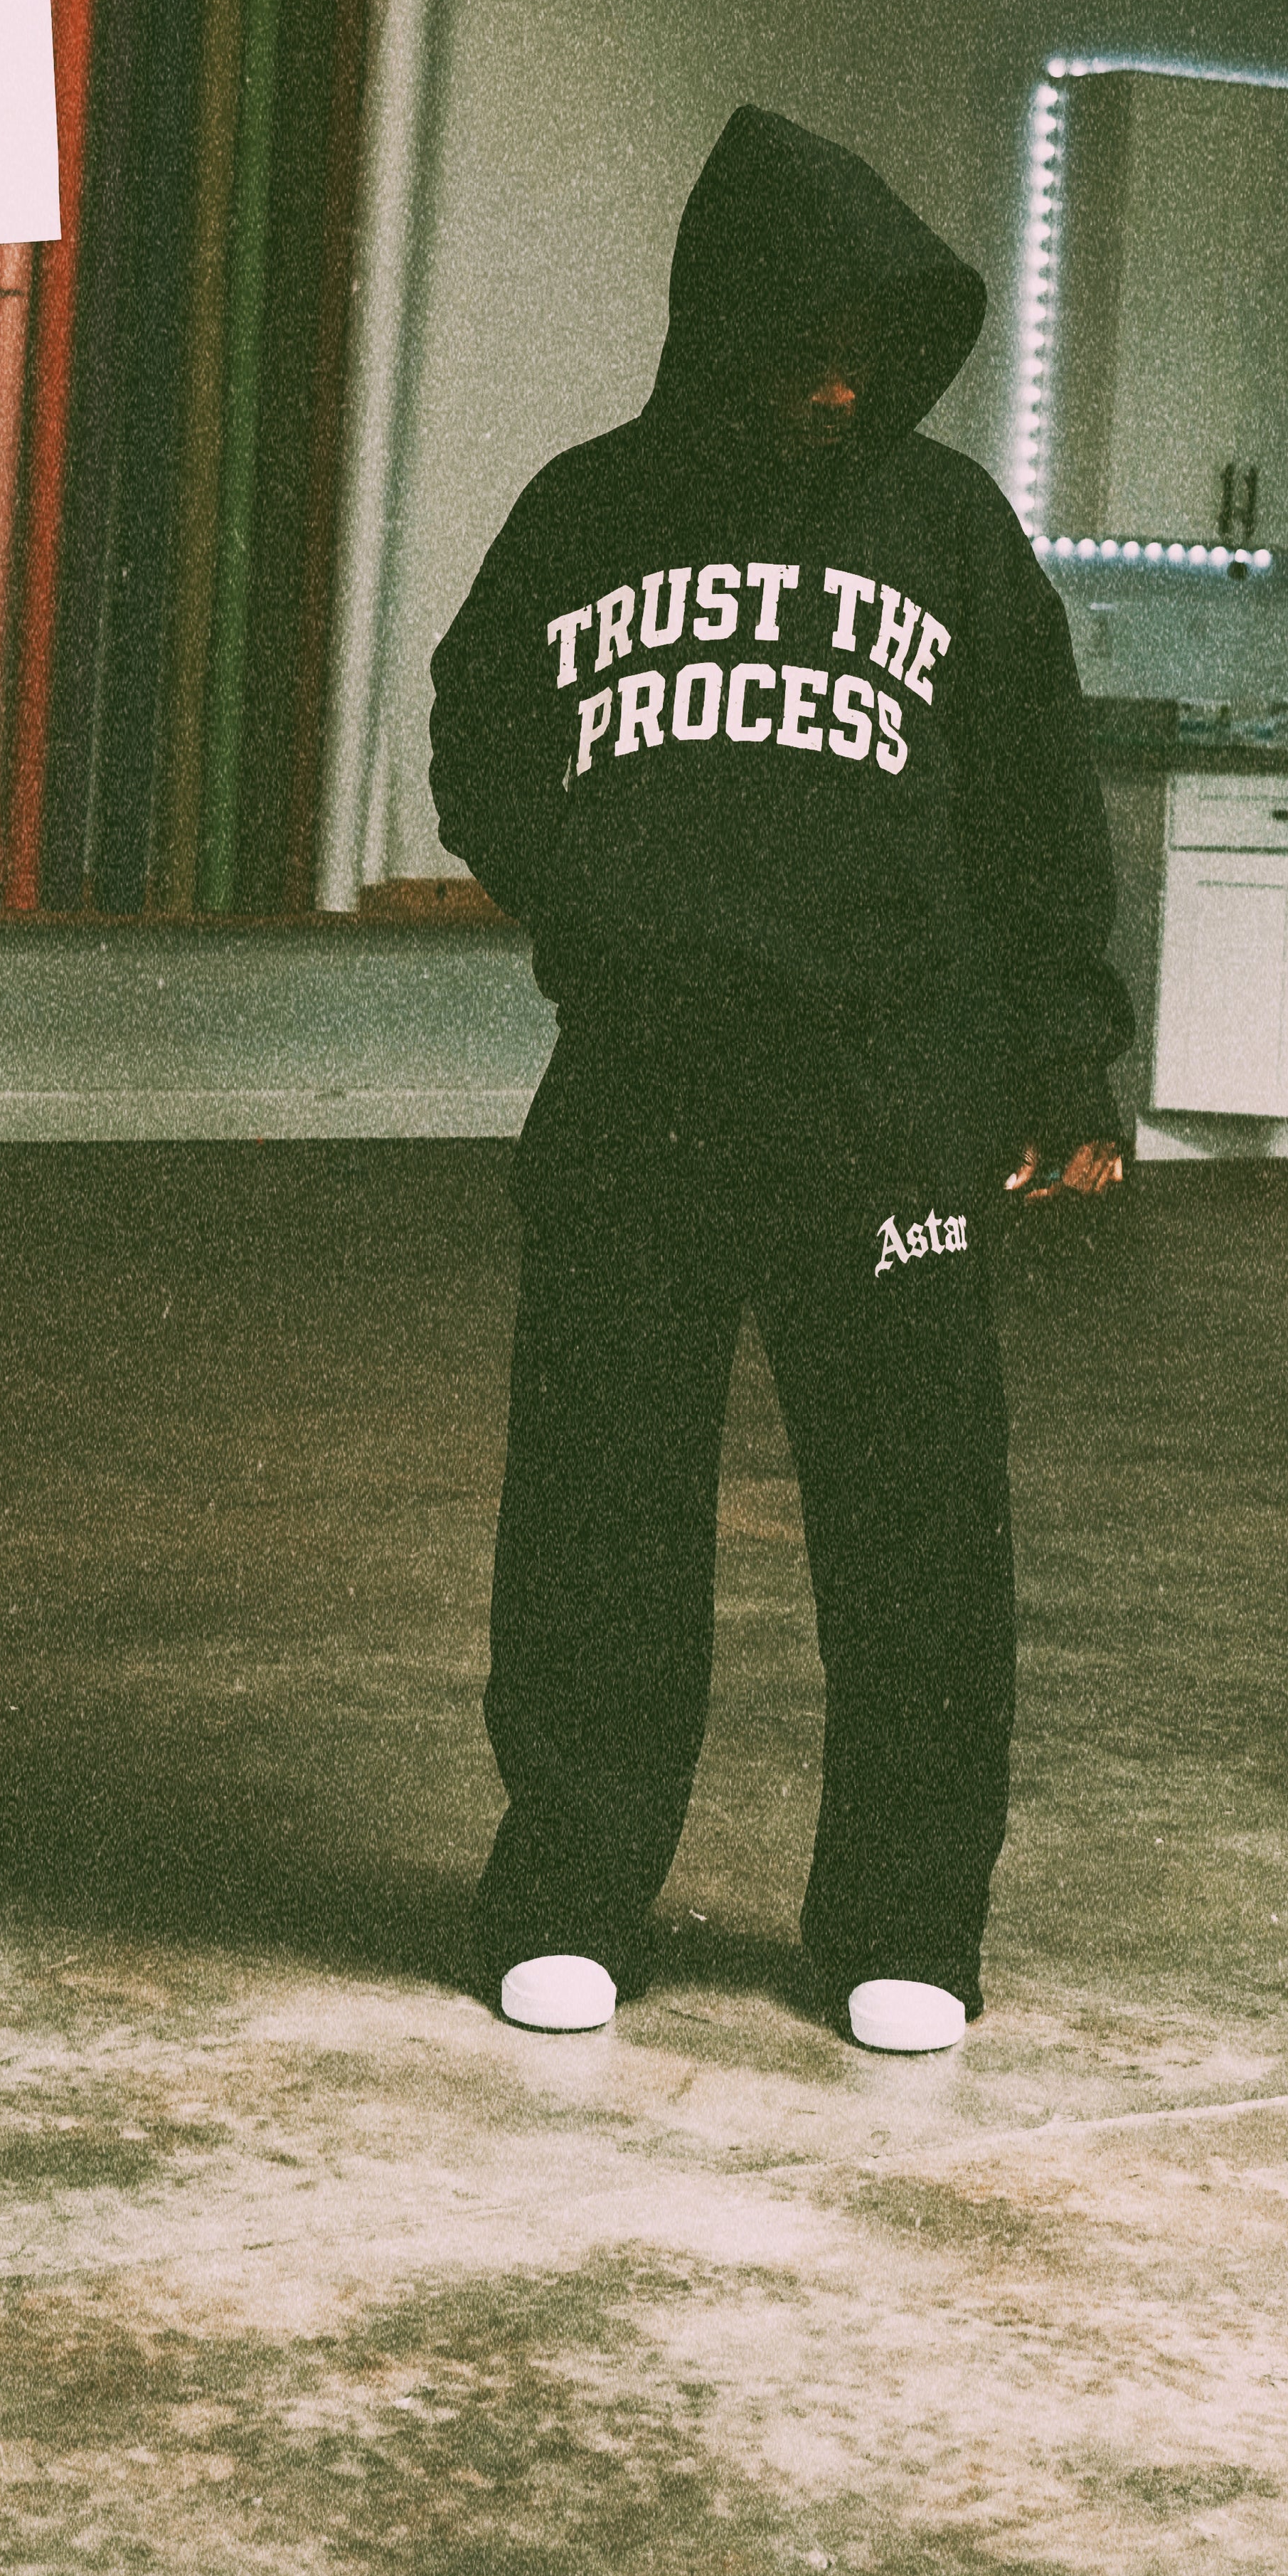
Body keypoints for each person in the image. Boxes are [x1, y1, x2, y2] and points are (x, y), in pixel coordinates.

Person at [427, 102, 1133, 2055]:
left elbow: (1039, 809)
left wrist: (1066, 1057)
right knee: (597, 1506)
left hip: (891, 1112)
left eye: (870, 358)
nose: (838, 389)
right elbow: (478, 740)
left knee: (919, 1528)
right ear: (718, 329)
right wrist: (600, 909)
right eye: (804, 349)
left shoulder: (948, 528)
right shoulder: (585, 511)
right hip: (641, 1097)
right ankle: (569, 1893)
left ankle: (906, 1921)